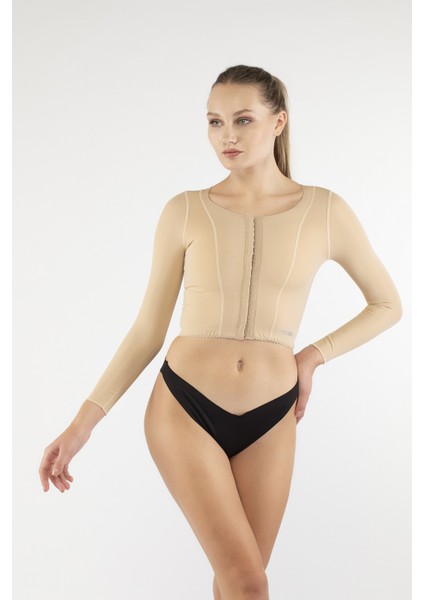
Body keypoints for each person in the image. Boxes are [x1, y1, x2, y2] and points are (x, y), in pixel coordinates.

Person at [39, 65, 402, 600]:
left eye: (242, 120)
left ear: (278, 122)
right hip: (185, 407)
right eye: (214, 122)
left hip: (272, 415)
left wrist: (312, 356)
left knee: (241, 583)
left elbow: (387, 304)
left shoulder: (326, 210)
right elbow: (147, 331)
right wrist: (81, 426)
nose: (226, 136)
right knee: (247, 581)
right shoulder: (185, 210)